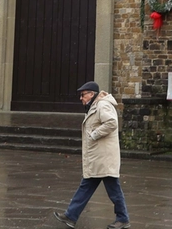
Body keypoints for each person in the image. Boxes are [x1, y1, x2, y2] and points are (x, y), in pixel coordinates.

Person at [54, 81, 130, 229]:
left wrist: (94, 134)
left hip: (104, 158)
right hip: (98, 158)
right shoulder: (95, 106)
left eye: (83, 95)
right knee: (86, 187)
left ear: (91, 94)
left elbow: (112, 123)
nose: (81, 98)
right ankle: (71, 215)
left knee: (114, 190)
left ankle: (123, 219)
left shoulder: (102, 105)